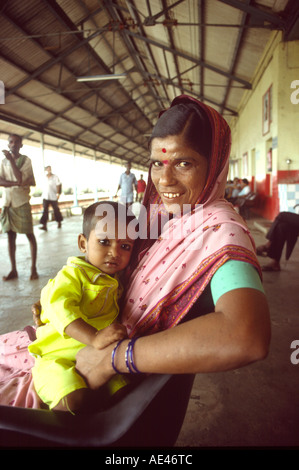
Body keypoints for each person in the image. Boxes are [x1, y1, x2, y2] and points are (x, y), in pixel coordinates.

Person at [0, 95, 271, 414]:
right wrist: (61, 299)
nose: (165, 180)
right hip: (82, 337)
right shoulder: (167, 216)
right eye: (158, 162)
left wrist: (115, 358)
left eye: (184, 163)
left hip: (90, 363)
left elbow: (246, 336)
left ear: (215, 164)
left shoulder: (221, 232)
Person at [28, 201, 135, 412]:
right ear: (83, 243)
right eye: (104, 241)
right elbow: (59, 308)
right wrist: (94, 337)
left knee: (125, 393)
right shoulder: (72, 275)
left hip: (97, 358)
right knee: (73, 400)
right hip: (57, 359)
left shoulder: (115, 280)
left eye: (125, 246)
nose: (114, 252)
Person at [0, 134, 38, 281]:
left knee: (29, 234)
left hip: (21, 201)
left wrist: (12, 162)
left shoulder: (26, 161)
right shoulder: (3, 161)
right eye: (11, 142)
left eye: (17, 142)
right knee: (10, 236)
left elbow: (20, 178)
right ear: (8, 144)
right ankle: (13, 269)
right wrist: (15, 184)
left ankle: (33, 268)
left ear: (21, 145)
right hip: (7, 202)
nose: (13, 144)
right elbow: (1, 180)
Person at [39, 165, 63, 231]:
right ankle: (44, 225)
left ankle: (59, 222)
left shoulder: (55, 177)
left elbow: (58, 185)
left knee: (56, 210)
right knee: (45, 210)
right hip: (45, 196)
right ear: (46, 170)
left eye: (50, 168)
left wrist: (58, 193)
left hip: (53, 196)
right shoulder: (43, 177)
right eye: (48, 169)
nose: (49, 170)